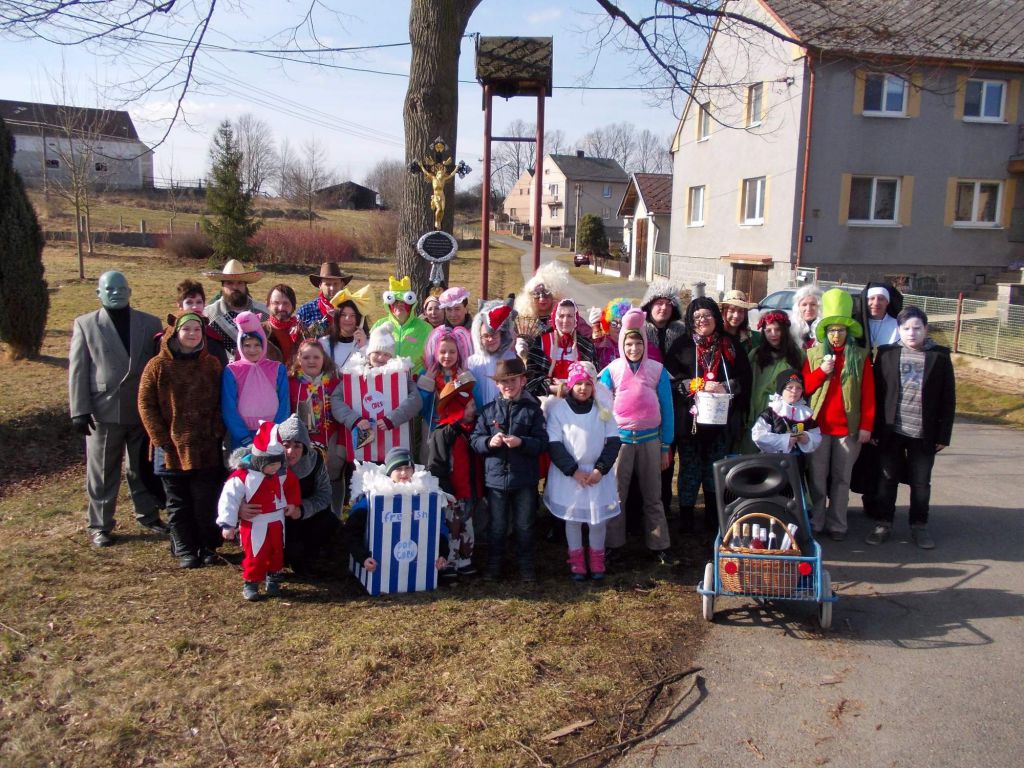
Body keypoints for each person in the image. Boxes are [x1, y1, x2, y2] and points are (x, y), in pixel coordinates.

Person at [69, 271, 167, 548]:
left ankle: (148, 515)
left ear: (130, 291)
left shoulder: (149, 323)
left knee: (141, 468)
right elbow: (78, 370)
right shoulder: (86, 324)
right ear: (98, 293)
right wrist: (79, 409)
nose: (116, 293)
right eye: (110, 289)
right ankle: (100, 525)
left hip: (141, 410)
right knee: (102, 470)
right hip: (104, 410)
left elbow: (158, 366)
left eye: (121, 288)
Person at [138, 310, 225, 568]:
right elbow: (146, 404)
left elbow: (222, 399)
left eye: (197, 329)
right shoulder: (157, 366)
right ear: (175, 332)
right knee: (178, 503)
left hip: (205, 445)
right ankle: (185, 547)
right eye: (187, 329)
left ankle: (208, 546)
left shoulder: (211, 364)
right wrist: (160, 438)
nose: (192, 334)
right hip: (171, 448)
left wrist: (216, 429)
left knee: (206, 500)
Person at [868, 307, 955, 549]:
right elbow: (877, 394)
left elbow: (948, 398)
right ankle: (883, 523)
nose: (912, 333)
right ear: (899, 330)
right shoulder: (886, 354)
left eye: (917, 328)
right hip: (892, 431)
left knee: (921, 483)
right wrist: (874, 429)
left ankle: (919, 526)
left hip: (923, 433)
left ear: (926, 329)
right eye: (906, 328)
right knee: (887, 480)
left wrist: (944, 434)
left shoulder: (939, 356)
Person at [664, 296, 752, 534]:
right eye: (697, 317)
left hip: (721, 422)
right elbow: (670, 381)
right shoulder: (681, 346)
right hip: (690, 422)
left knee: (715, 469)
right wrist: (695, 385)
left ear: (716, 317)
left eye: (707, 315)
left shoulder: (729, 345)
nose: (702, 320)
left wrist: (726, 386)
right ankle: (686, 519)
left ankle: (713, 517)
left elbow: (745, 377)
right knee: (690, 469)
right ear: (690, 321)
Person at [599, 309, 674, 564]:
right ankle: (613, 544)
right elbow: (602, 406)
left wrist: (665, 445)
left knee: (653, 496)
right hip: (620, 441)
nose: (634, 349)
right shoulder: (612, 370)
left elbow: (667, 408)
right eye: (629, 344)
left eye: (638, 343)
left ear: (645, 344)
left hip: (650, 439)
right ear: (622, 344)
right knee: (616, 494)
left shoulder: (657, 370)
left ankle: (659, 545)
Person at [801, 289, 875, 541]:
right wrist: (822, 371)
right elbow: (804, 387)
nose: (836, 335)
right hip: (819, 429)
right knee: (817, 479)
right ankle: (817, 521)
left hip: (847, 430)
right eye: (831, 330)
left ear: (848, 332)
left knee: (842, 480)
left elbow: (868, 394)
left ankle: (838, 525)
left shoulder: (860, 357)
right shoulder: (813, 355)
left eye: (840, 330)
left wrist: (866, 425)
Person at [471, 358, 549, 582]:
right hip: (495, 481)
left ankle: (526, 566)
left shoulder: (533, 411)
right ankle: (494, 566)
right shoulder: (487, 411)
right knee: (497, 526)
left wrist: (522, 442)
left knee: (524, 525)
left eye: (513, 380)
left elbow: (542, 443)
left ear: (523, 381)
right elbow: (475, 441)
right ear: (497, 384)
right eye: (504, 382)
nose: (508, 385)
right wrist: (489, 442)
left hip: (524, 479)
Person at [546, 362, 621, 580]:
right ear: (570, 385)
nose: (583, 388)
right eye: (578, 384)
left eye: (588, 384)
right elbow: (554, 443)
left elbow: (613, 441)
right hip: (570, 475)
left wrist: (600, 469)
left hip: (596, 474)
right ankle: (577, 560)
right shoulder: (559, 410)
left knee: (597, 521)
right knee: (573, 519)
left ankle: (597, 559)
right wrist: (573, 470)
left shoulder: (602, 410)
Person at [217, 421, 302, 601]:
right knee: (256, 553)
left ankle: (274, 578)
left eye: (277, 464)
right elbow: (229, 498)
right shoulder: (243, 476)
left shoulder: (281, 473)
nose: (275, 468)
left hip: (276, 520)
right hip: (254, 522)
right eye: (271, 465)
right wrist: (228, 523)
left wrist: (292, 504)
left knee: (277, 551)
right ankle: (252, 582)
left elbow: (292, 486)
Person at [344, 447, 449, 576]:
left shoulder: (427, 498)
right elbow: (351, 531)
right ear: (389, 472)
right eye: (398, 469)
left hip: (417, 570)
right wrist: (363, 558)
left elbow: (440, 529)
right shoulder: (372, 499)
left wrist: (442, 554)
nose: (404, 472)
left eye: (407, 468)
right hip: (377, 568)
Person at [427, 372, 484, 578]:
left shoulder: (474, 429)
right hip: (452, 491)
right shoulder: (444, 433)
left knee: (467, 525)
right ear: (457, 409)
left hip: (470, 488)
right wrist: (445, 488)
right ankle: (448, 561)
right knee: (452, 526)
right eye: (469, 407)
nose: (473, 410)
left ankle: (465, 559)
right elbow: (436, 464)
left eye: (473, 406)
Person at [331, 325, 422, 449]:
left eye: (386, 354)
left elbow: (416, 399)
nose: (381, 358)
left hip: (395, 441)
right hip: (363, 443)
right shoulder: (355, 374)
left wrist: (393, 418)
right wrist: (354, 420)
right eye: (377, 352)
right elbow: (336, 399)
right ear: (369, 353)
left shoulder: (401, 375)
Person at [640, 279, 687, 519]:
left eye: (668, 304)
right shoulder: (640, 331)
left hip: (674, 404)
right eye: (658, 303)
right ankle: (640, 509)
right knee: (643, 459)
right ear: (649, 304)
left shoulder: (682, 333)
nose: (663, 308)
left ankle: (664, 507)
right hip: (644, 404)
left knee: (667, 457)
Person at [288, 339, 344, 515]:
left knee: (332, 477)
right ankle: (307, 514)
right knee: (306, 479)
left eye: (316, 357)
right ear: (299, 359)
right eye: (306, 357)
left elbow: (342, 414)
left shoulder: (334, 382)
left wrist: (341, 443)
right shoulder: (290, 382)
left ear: (323, 359)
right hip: (302, 443)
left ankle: (335, 515)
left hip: (330, 439)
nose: (311, 361)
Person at [276, 414, 337, 576]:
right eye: (286, 445)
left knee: (330, 521)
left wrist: (302, 509)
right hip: (275, 519)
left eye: (297, 446)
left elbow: (324, 494)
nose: (291, 452)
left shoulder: (315, 461)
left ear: (304, 447)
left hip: (305, 517)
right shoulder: (267, 462)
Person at [221, 312, 290, 450]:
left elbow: (284, 403)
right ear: (240, 346)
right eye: (247, 345)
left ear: (264, 344)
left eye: (257, 345)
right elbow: (229, 407)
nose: (252, 350)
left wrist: (274, 431)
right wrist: (243, 436)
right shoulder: (232, 371)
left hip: (272, 434)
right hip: (242, 437)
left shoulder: (277, 369)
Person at [743, 309, 805, 453]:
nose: (773, 334)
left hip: (784, 412)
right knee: (753, 451)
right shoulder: (756, 354)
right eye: (768, 330)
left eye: (777, 329)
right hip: (758, 409)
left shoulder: (797, 355)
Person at [526, 299, 596, 399]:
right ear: (555, 318)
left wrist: (571, 388)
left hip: (578, 398)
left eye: (570, 316)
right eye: (561, 316)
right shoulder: (540, 342)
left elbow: (592, 376)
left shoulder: (586, 345)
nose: (565, 320)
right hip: (546, 399)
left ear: (575, 319)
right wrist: (554, 388)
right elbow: (531, 380)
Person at [418, 324, 474, 439]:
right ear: (436, 353)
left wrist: (466, 380)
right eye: (442, 352)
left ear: (459, 353)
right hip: (432, 427)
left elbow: (474, 403)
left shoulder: (464, 373)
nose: (447, 356)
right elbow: (420, 408)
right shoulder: (427, 373)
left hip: (458, 428)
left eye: (452, 352)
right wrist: (427, 382)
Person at [202, 259, 268, 355]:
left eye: (239, 283)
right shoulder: (209, 315)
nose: (235, 287)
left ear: (245, 286)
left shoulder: (263, 313)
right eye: (230, 283)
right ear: (222, 286)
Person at [751, 369, 822, 456]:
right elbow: (758, 436)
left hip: (797, 460)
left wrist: (807, 438)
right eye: (790, 387)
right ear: (781, 389)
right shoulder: (771, 413)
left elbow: (817, 436)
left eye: (799, 388)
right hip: (773, 459)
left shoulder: (805, 414)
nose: (794, 391)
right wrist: (785, 440)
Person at [371, 275, 434, 371]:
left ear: (412, 305)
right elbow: (370, 353)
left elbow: (433, 358)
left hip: (415, 378)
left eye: (404, 302)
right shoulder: (379, 325)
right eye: (395, 301)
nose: (400, 304)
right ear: (389, 304)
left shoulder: (426, 329)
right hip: (384, 377)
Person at [467, 299, 518, 408]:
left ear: (501, 335)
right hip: (480, 413)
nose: (490, 339)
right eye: (485, 336)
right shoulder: (472, 362)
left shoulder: (510, 357)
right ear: (479, 337)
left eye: (494, 334)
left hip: (504, 412)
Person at [171, 279, 229, 366]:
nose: (195, 307)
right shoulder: (168, 338)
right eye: (189, 302)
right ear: (180, 306)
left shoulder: (213, 338)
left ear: (204, 305)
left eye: (199, 302)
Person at [319, 285, 372, 370]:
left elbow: (374, 371)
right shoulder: (324, 343)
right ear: (337, 317)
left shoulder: (371, 344)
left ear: (360, 319)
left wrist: (363, 347)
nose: (347, 319)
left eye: (353, 315)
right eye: (343, 315)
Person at [296, 262, 354, 336]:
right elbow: (296, 339)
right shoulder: (306, 311)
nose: (332, 288)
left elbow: (363, 336)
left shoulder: (353, 310)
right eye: (328, 284)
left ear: (342, 285)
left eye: (335, 284)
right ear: (320, 285)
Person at [263, 283, 306, 364]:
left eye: (286, 303)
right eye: (276, 303)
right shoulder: (260, 331)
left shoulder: (303, 332)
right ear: (268, 305)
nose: (281, 308)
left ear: (293, 306)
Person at [590, 298, 632, 371]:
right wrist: (595, 324)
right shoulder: (601, 345)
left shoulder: (636, 344)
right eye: (614, 323)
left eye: (623, 322)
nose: (619, 326)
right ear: (608, 326)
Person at [719, 289, 759, 355]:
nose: (736, 315)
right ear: (723, 312)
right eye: (731, 310)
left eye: (741, 311)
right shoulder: (716, 337)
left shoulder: (754, 338)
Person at [789, 284, 822, 351]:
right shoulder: (790, 328)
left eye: (813, 304)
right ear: (798, 307)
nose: (808, 309)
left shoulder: (825, 328)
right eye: (804, 304)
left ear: (819, 306)